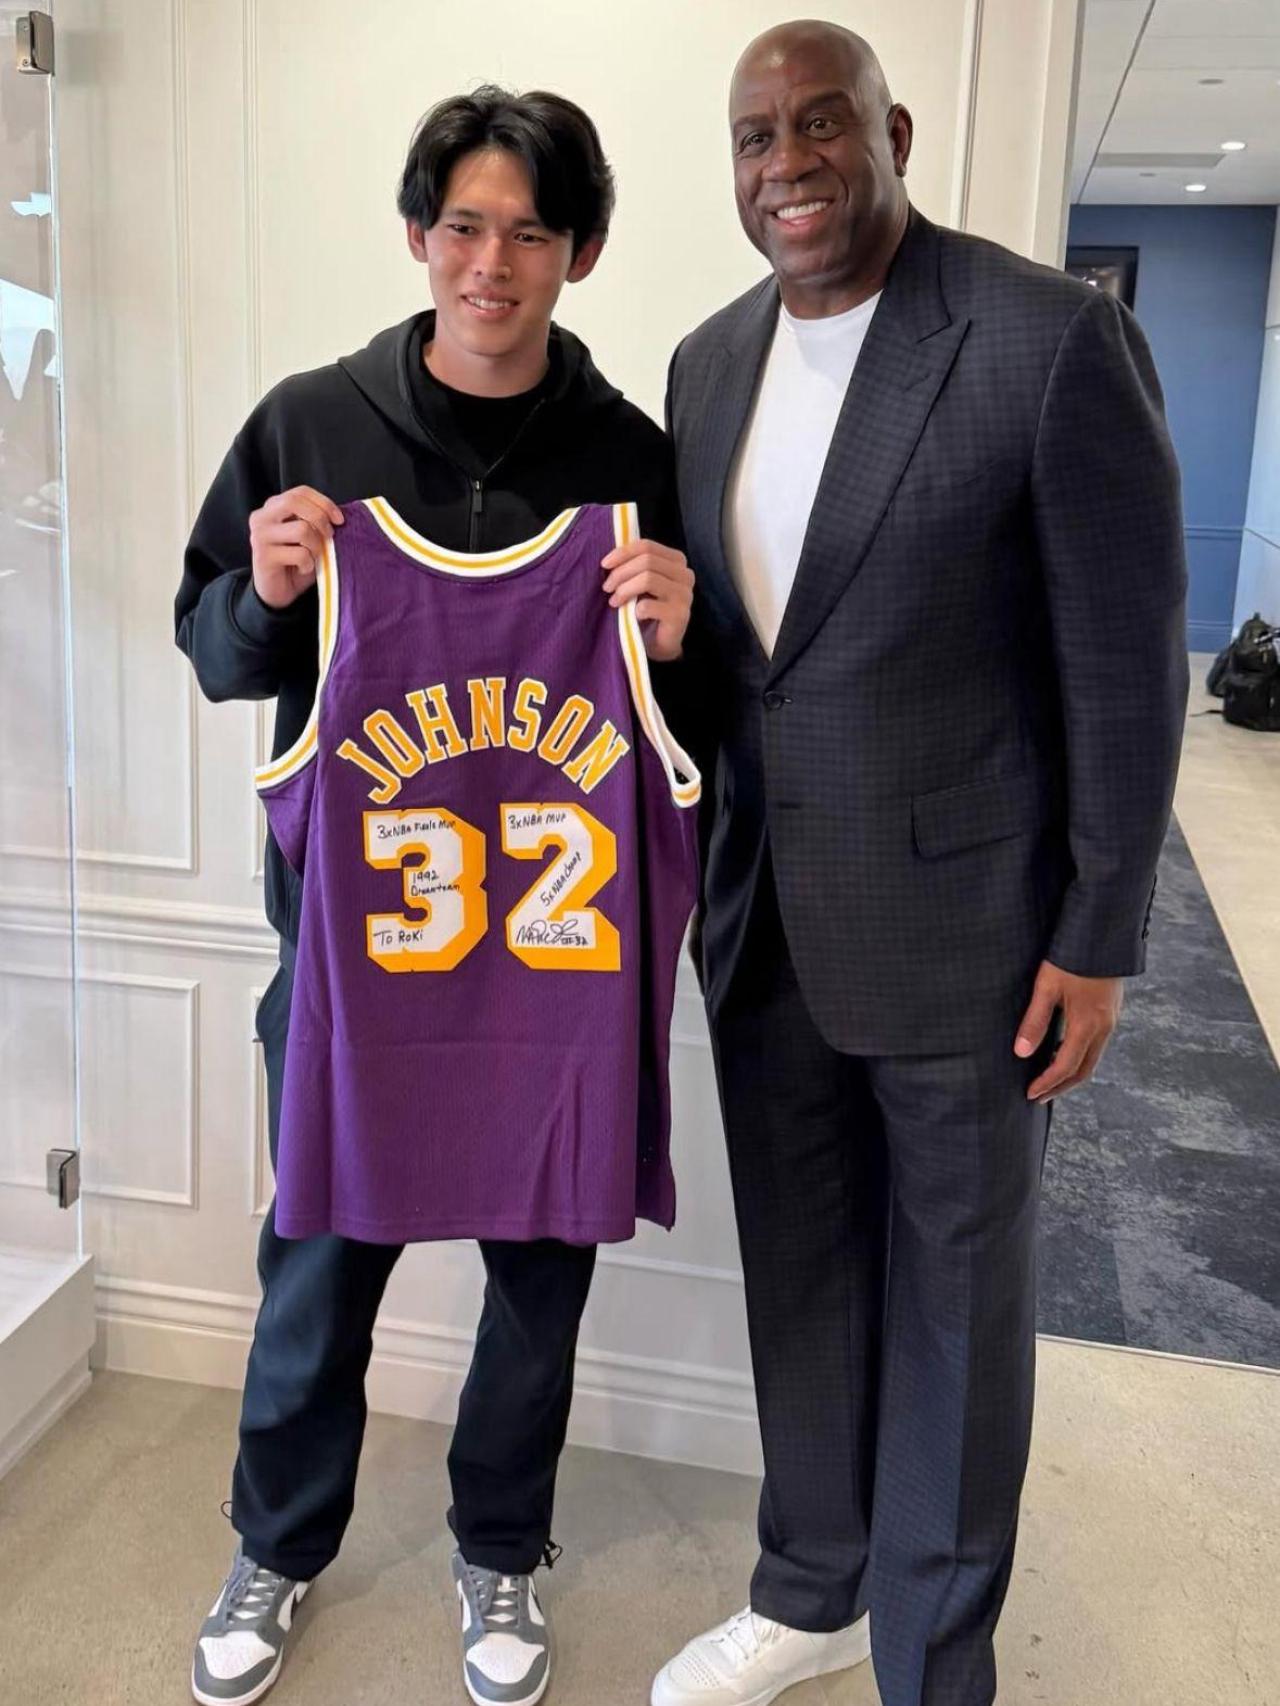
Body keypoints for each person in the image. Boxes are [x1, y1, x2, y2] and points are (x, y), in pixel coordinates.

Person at [650, 21, 1188, 1706]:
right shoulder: (705, 363)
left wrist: (1101, 930)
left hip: (973, 938)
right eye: (755, 138)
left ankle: (934, 1659)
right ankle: (812, 1584)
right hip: (765, 928)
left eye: (821, 125)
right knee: (804, 1281)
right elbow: (750, 665)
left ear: (893, 133)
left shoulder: (1046, 339)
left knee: (958, 1306)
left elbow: (1126, 663)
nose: (786, 164)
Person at [174, 86, 695, 1706]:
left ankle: (500, 1547)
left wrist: (682, 637)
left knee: (539, 1288)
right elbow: (211, 647)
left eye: (530, 232)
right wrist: (264, 592)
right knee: (318, 1272)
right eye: (464, 225)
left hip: (555, 982)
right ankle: (275, 1543)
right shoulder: (305, 425)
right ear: (418, 234)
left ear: (579, 252)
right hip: (353, 972)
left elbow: (698, 721)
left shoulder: (632, 462)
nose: (492, 263)